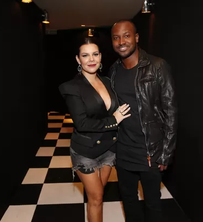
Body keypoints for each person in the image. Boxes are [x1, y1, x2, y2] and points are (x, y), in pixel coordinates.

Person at [109, 20, 178, 222]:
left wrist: (166, 153)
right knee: (129, 200)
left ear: (136, 37)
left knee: (152, 203)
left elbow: (171, 112)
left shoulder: (157, 66)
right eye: (116, 37)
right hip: (123, 150)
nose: (121, 41)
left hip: (150, 151)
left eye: (127, 35)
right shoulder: (113, 70)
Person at [59, 37, 131, 222]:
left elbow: (113, 109)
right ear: (78, 59)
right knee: (97, 198)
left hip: (108, 148)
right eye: (85, 55)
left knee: (98, 196)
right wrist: (113, 120)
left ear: (100, 57)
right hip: (86, 150)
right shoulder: (71, 87)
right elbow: (81, 123)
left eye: (95, 54)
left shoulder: (108, 81)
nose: (91, 59)